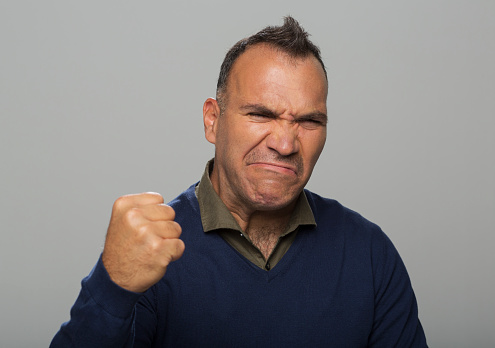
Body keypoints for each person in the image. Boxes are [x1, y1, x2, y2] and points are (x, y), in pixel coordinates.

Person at [51, 17, 427, 347]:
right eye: (261, 114)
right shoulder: (152, 254)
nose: (284, 143)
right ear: (212, 120)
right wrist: (112, 284)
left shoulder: (369, 253)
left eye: (309, 121)